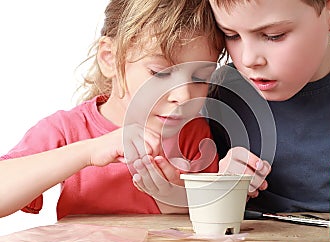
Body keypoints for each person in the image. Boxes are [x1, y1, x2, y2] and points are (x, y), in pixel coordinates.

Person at [0, 0, 226, 220]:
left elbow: (211, 216)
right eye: (160, 73)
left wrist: (170, 194)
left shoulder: (193, 133)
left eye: (200, 77)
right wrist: (88, 152)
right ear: (110, 58)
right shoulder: (67, 129)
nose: (183, 96)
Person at [207, 0, 330, 239]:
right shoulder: (221, 94)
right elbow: (195, 212)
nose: (248, 59)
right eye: (231, 35)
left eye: (273, 35)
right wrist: (219, 182)